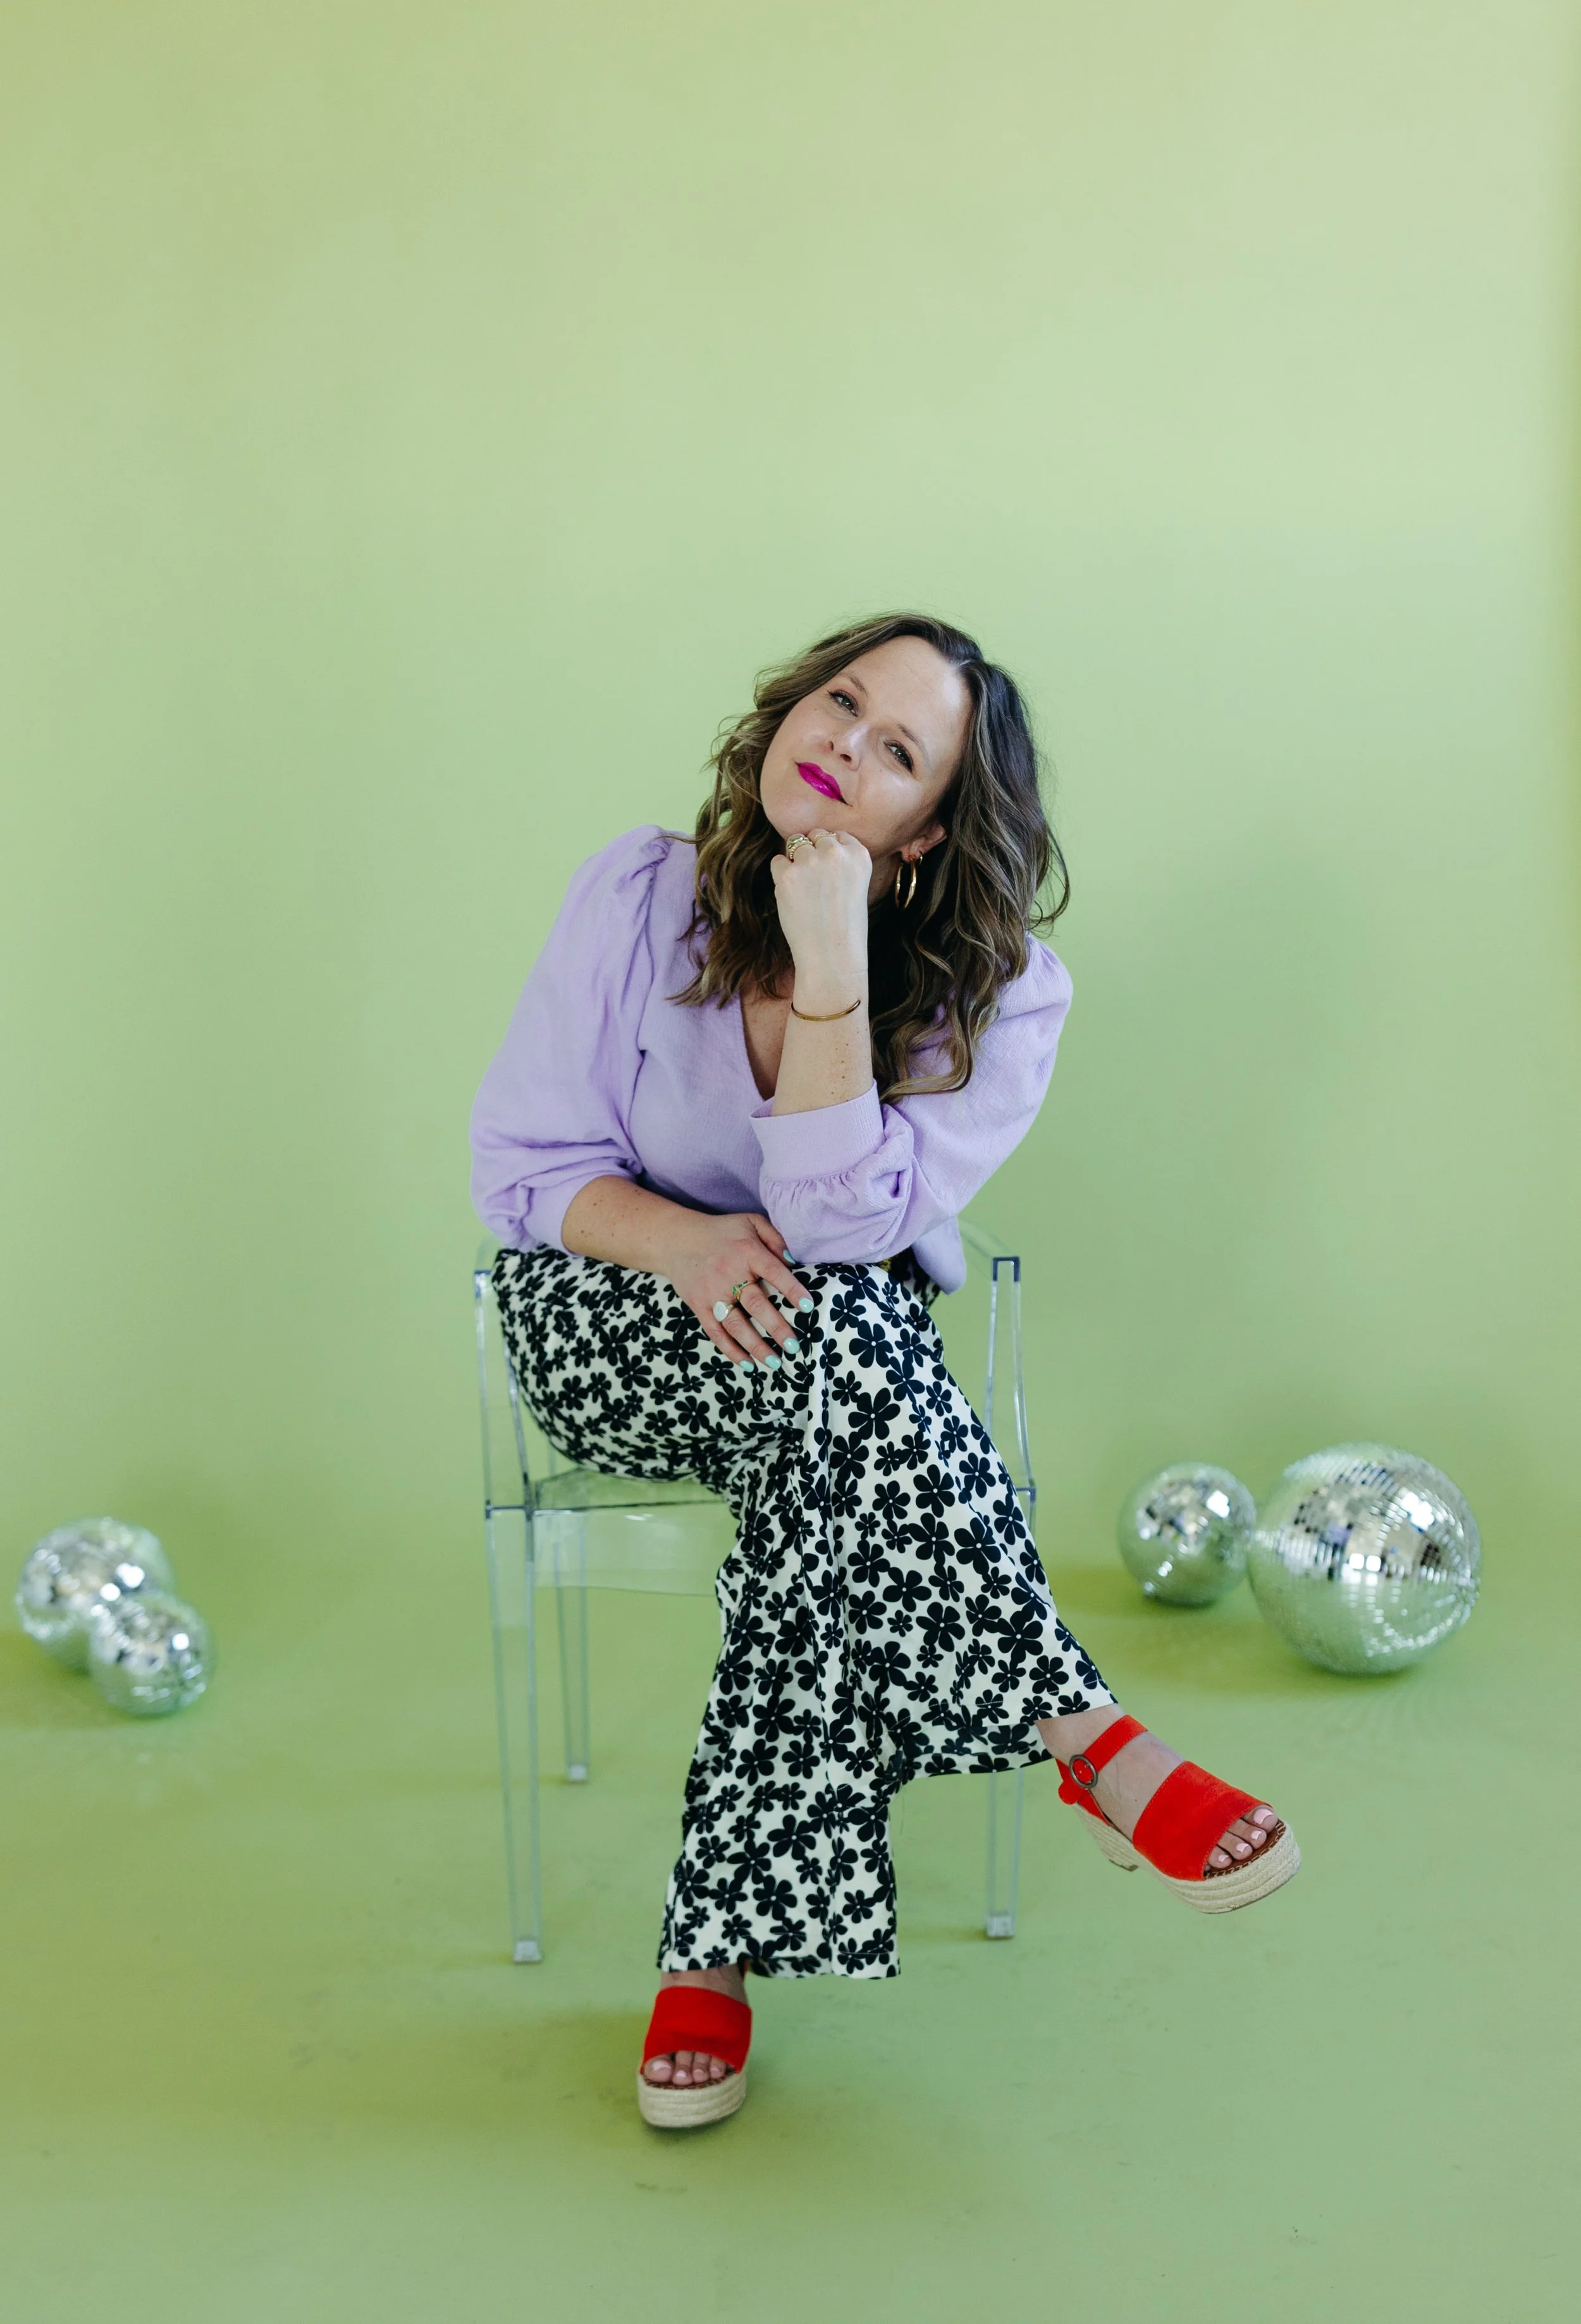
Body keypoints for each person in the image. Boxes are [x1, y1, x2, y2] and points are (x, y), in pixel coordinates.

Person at [470, 612, 1298, 2129]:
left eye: (895, 747)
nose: (843, 742)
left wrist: (834, 961)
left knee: (827, 1392)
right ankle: (1084, 1732)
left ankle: (706, 1947)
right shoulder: (634, 891)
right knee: (843, 1354)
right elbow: (520, 1165)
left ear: (922, 833)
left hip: (820, 1364)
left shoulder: (1007, 996)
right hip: (608, 1320)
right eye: (840, 700)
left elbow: (842, 1230)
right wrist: (683, 1245)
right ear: (791, 703)